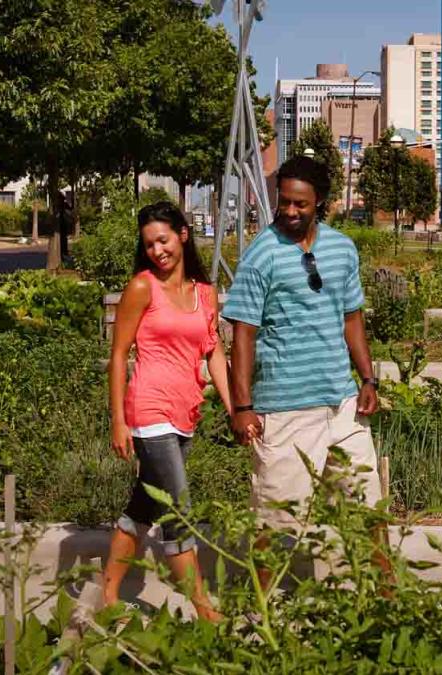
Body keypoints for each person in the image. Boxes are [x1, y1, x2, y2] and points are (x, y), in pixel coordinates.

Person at [222, 156, 382, 553]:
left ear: (321, 203)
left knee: (368, 511)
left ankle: (386, 596)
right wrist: (242, 407)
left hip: (342, 406)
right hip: (285, 411)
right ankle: (261, 609)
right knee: (276, 522)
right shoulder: (261, 256)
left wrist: (367, 378)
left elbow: (351, 316)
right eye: (285, 202)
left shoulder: (342, 249)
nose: (290, 211)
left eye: (301, 204)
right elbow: (243, 334)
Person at [103, 201, 229, 622]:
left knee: (143, 505)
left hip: (184, 412)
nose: (157, 250)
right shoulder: (142, 288)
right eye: (149, 244)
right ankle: (205, 610)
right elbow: (120, 354)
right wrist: (118, 421)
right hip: (148, 409)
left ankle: (107, 595)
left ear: (183, 235)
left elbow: (214, 355)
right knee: (179, 508)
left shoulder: (205, 293)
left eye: (164, 240)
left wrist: (235, 407)